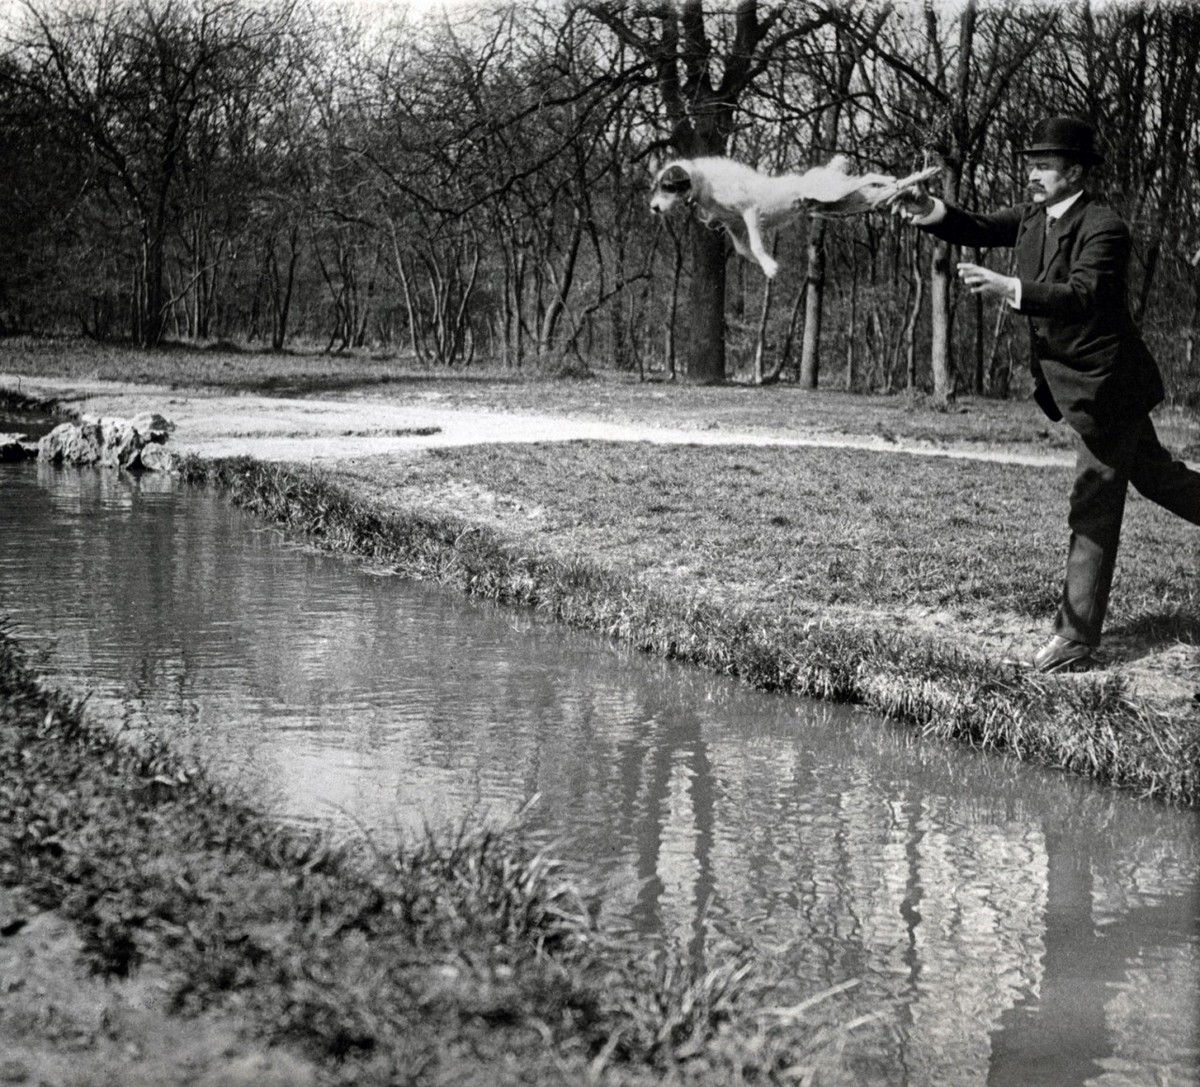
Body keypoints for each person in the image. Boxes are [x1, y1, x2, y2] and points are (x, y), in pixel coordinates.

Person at [891, 116, 1200, 673]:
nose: (1031, 175)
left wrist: (1011, 288)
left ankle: (1076, 638)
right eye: (1030, 164)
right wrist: (929, 210)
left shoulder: (1105, 227)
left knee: (1094, 500)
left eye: (1043, 166)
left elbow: (1083, 295)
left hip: (1108, 387)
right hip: (1079, 387)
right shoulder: (1036, 216)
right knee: (1158, 478)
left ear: (1075, 172)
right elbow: (979, 224)